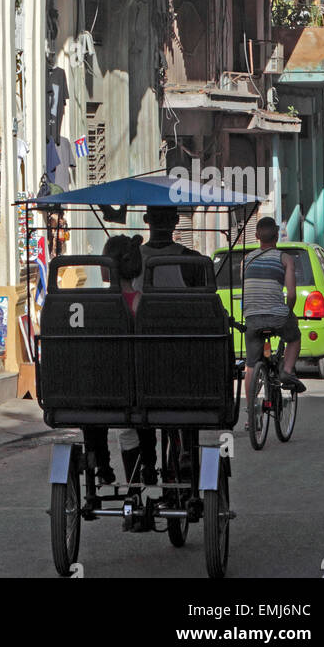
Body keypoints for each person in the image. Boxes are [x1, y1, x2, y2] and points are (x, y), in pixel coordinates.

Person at [120, 206, 205, 484]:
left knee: (140, 405)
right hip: (180, 353)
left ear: (147, 221)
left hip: (141, 353)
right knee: (187, 396)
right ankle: (187, 452)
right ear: (176, 222)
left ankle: (147, 464)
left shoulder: (132, 260)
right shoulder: (191, 261)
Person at [83, 233, 144, 486]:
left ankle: (103, 467)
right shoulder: (143, 303)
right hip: (139, 385)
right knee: (130, 428)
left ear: (106, 268)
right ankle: (136, 480)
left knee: (92, 415)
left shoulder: (96, 304)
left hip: (103, 385)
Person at [242, 216, 305, 396]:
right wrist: (289, 311)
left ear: (256, 236)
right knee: (294, 337)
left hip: (252, 318)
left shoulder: (247, 260)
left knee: (251, 364)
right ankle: (286, 370)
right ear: (277, 236)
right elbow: (291, 294)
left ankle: (251, 415)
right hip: (277, 317)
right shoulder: (285, 259)